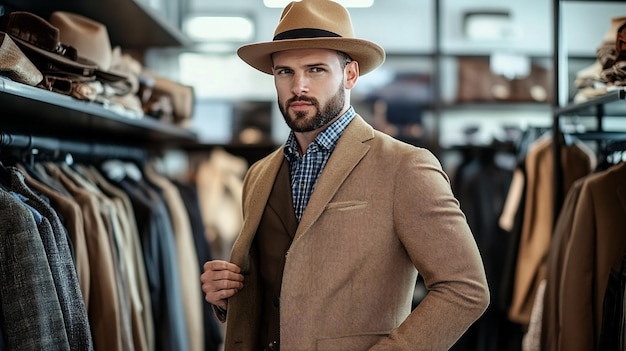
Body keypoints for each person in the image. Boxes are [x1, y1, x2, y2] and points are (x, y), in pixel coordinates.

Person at [200, 1, 490, 350]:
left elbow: (465, 289)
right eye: (285, 72)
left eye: (316, 69)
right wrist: (226, 295)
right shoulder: (259, 175)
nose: (299, 87)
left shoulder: (406, 167)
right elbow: (273, 289)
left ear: (350, 74)